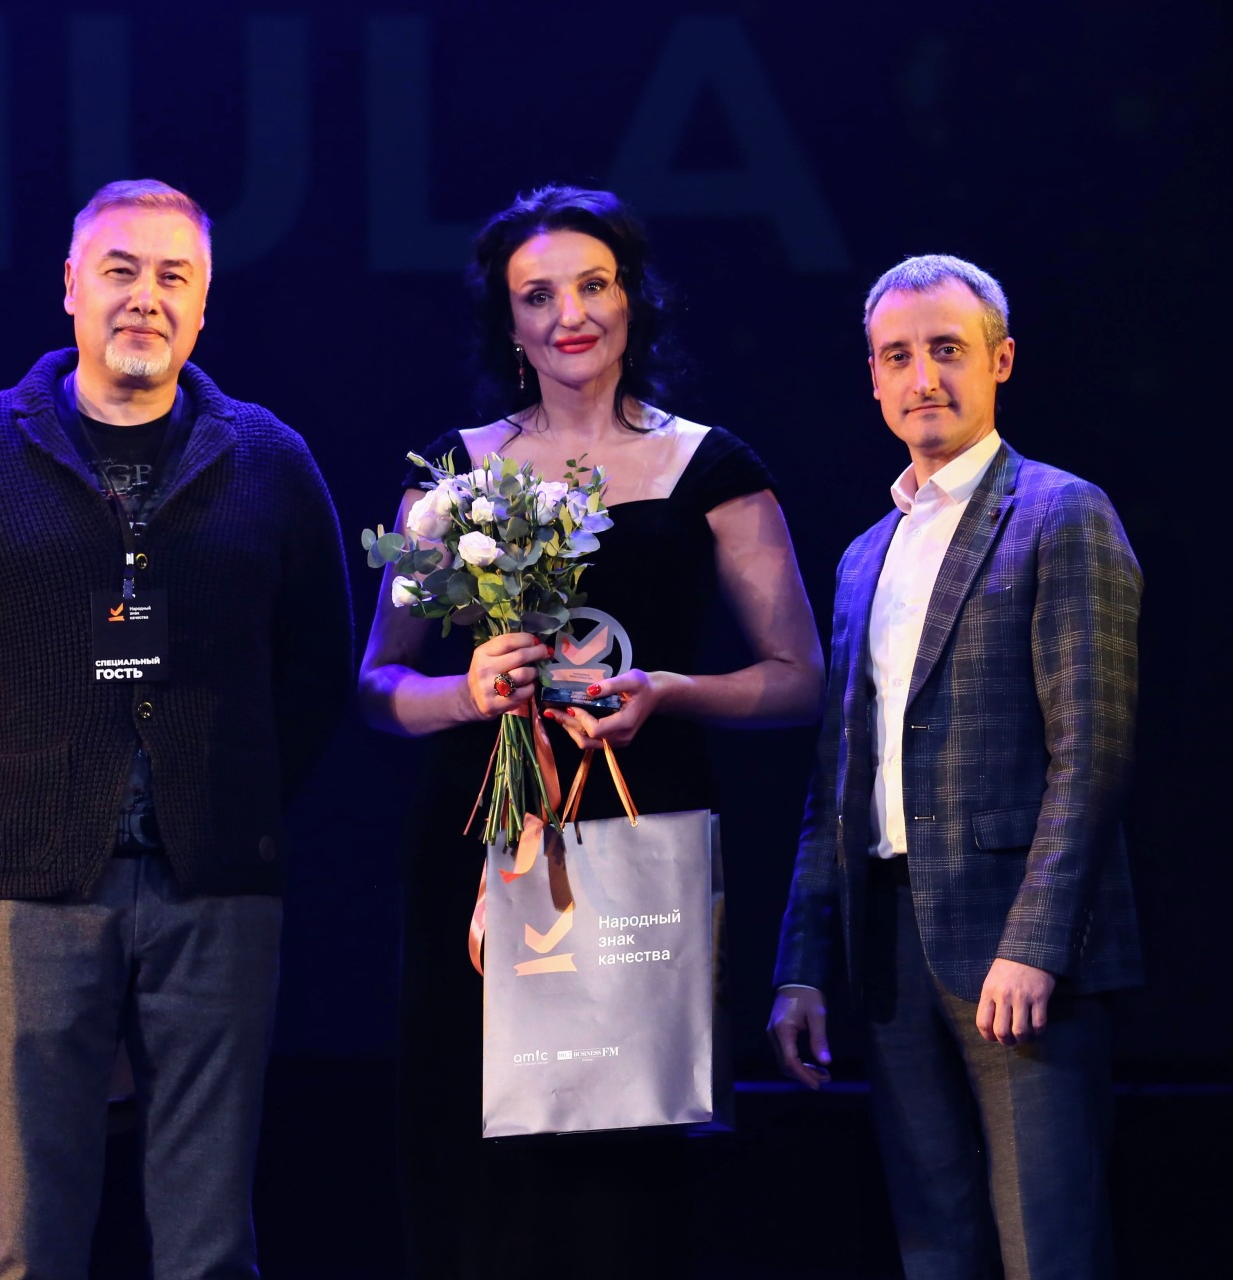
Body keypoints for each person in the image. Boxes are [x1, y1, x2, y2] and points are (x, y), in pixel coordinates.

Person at [0, 178, 352, 1279]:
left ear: (204, 305)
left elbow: (317, 668)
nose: (146, 296)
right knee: (32, 1237)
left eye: (174, 276)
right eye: (121, 270)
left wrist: (237, 799)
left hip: (218, 884)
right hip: (29, 891)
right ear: (71, 287)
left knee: (210, 1239)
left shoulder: (270, 460)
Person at [358, 184, 824, 1279]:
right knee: (476, 1152)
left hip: (638, 839)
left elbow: (799, 679)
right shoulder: (456, 474)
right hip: (481, 855)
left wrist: (669, 688)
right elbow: (378, 685)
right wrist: (469, 692)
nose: (570, 313)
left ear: (633, 299)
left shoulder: (711, 467)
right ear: (509, 323)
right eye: (538, 295)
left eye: (593, 285)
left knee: (622, 1163)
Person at [767, 254, 1143, 1279]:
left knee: (1048, 1248)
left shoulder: (1061, 513)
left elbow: (1093, 752)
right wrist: (803, 962)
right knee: (935, 1248)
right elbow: (837, 780)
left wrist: (1036, 942)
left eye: (947, 349)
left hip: (1015, 946)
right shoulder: (863, 556)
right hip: (888, 945)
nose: (923, 376)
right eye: (898, 356)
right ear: (873, 378)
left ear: (1000, 360)